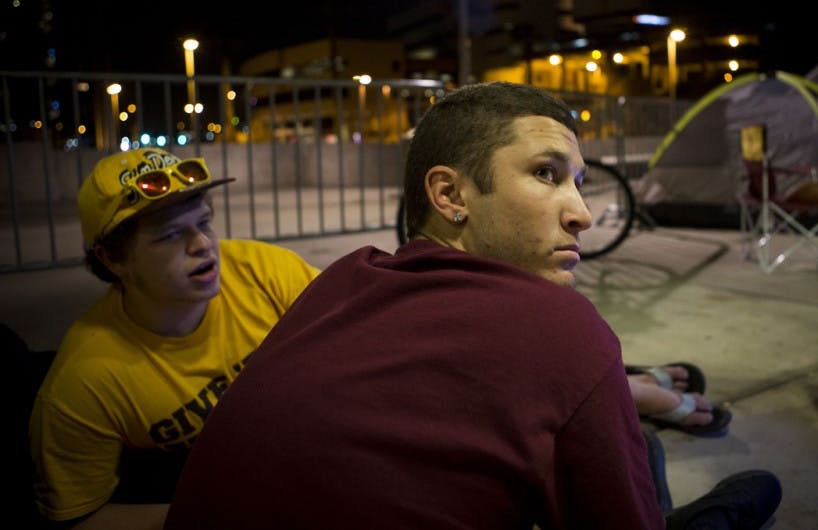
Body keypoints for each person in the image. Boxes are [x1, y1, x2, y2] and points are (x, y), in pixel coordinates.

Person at [165, 81, 780, 529]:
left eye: (578, 181)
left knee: (632, 449)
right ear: (450, 193)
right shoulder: (561, 327)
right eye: (546, 173)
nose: (582, 213)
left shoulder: (342, 279)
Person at [29, 148, 321, 528]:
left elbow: (355, 344)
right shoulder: (84, 381)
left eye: (204, 223)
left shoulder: (264, 270)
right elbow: (79, 518)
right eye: (170, 235)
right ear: (112, 259)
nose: (202, 244)